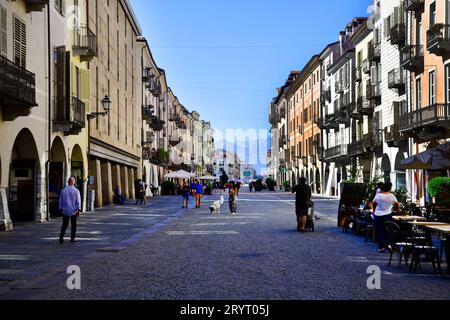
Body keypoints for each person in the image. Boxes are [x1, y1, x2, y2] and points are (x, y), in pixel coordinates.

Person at [372, 182, 399, 253]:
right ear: (390, 188)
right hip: (387, 215)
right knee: (389, 230)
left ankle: (381, 247)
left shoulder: (378, 195)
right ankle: (388, 244)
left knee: (380, 231)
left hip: (378, 215)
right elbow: (397, 204)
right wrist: (397, 209)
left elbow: (374, 203)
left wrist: (374, 211)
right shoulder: (392, 196)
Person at [59, 177, 81, 244]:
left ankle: (61, 237)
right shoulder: (76, 191)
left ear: (68, 182)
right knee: (73, 225)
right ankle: (72, 238)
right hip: (73, 211)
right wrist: (78, 209)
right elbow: (78, 201)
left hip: (65, 210)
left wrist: (61, 208)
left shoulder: (63, 190)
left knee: (64, 224)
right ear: (74, 182)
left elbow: (60, 200)